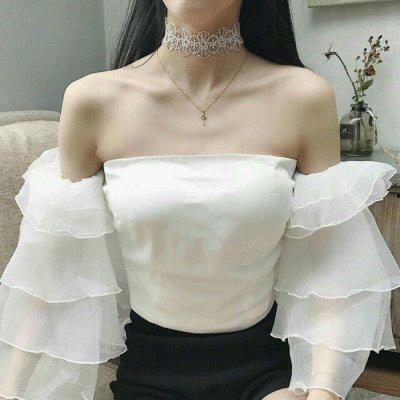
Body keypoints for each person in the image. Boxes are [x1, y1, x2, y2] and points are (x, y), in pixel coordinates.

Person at [1, 1, 399, 399]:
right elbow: (51, 271)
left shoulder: (303, 96)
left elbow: (330, 267)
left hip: (265, 373)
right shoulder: (92, 100)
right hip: (150, 371)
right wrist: (11, 390)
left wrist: (324, 391)